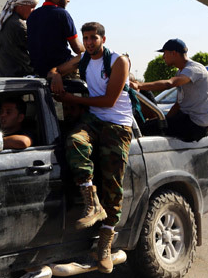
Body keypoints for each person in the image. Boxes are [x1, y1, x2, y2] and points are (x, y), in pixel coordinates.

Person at [52, 22, 133, 274]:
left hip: (117, 123)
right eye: (85, 38)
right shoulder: (84, 58)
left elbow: (109, 101)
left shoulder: (119, 61)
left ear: (103, 39)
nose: (88, 42)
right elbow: (56, 69)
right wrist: (55, 75)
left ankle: (106, 242)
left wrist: (71, 98)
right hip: (95, 119)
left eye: (93, 38)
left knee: (113, 182)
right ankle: (91, 202)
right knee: (74, 141)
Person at [130, 38, 208, 142]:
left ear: (173, 53)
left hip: (196, 125)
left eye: (164, 53)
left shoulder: (193, 69)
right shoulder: (181, 72)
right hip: (186, 120)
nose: (163, 57)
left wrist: (138, 85)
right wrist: (162, 120)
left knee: (145, 129)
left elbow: (169, 84)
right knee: (149, 125)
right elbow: (178, 105)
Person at [26, 0, 85, 78]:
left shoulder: (32, 16)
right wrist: (86, 49)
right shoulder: (62, 14)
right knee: (86, 56)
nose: (69, 0)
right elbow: (77, 48)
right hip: (60, 68)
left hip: (39, 69)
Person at [0, 0, 40, 77]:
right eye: (32, 8)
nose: (34, 11)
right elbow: (35, 51)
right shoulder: (18, 25)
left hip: (0, 76)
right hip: (16, 79)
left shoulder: (1, 21)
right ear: (21, 6)